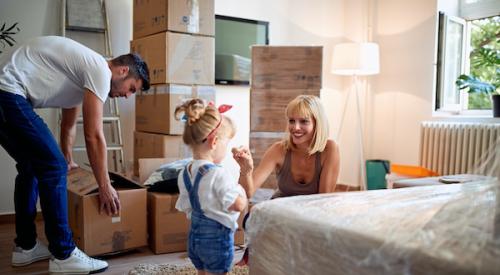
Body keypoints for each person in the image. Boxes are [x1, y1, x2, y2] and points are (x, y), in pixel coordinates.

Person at [0, 36, 150, 273]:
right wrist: (104, 185)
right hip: (7, 92)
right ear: (122, 70)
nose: (128, 96)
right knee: (52, 167)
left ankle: (25, 247)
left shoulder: (84, 76)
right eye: (131, 88)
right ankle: (63, 254)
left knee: (31, 167)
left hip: (5, 94)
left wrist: (68, 159)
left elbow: (69, 125)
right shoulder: (100, 70)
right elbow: (93, 135)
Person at [232, 94, 340, 264]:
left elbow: (323, 199)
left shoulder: (330, 149)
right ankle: (256, 251)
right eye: (291, 121)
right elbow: (247, 193)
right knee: (254, 214)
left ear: (317, 123)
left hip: (313, 209)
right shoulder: (279, 149)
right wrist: (246, 169)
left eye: (304, 121)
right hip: (281, 207)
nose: (295, 127)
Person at [174, 99, 248, 275]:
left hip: (194, 240)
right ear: (214, 142)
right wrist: (241, 192)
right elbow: (237, 205)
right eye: (226, 143)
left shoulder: (185, 171)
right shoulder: (218, 174)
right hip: (216, 241)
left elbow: (187, 206)